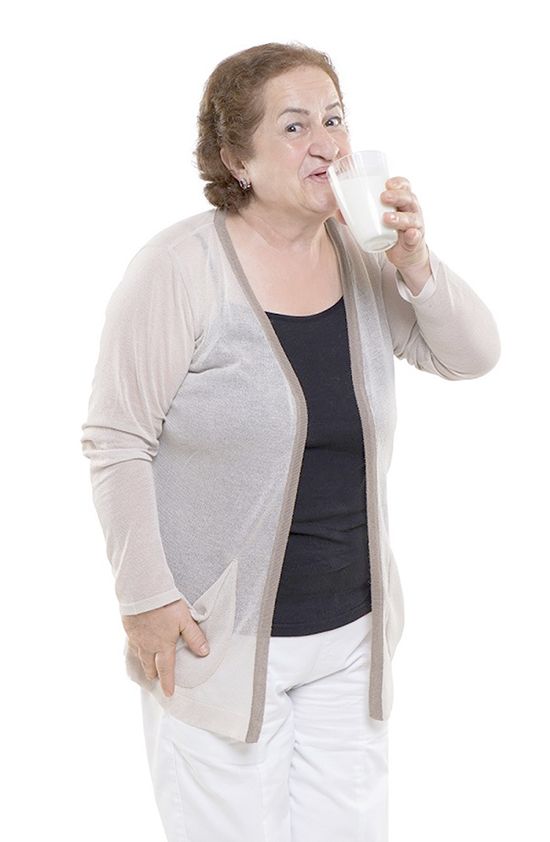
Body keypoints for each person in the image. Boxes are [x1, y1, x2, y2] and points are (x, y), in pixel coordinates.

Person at [80, 41, 501, 842]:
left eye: (335, 121)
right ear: (236, 158)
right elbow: (116, 439)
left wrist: (415, 261)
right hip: (220, 641)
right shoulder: (178, 269)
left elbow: (472, 355)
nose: (327, 144)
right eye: (295, 125)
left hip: (352, 634)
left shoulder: (362, 257)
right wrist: (145, 601)